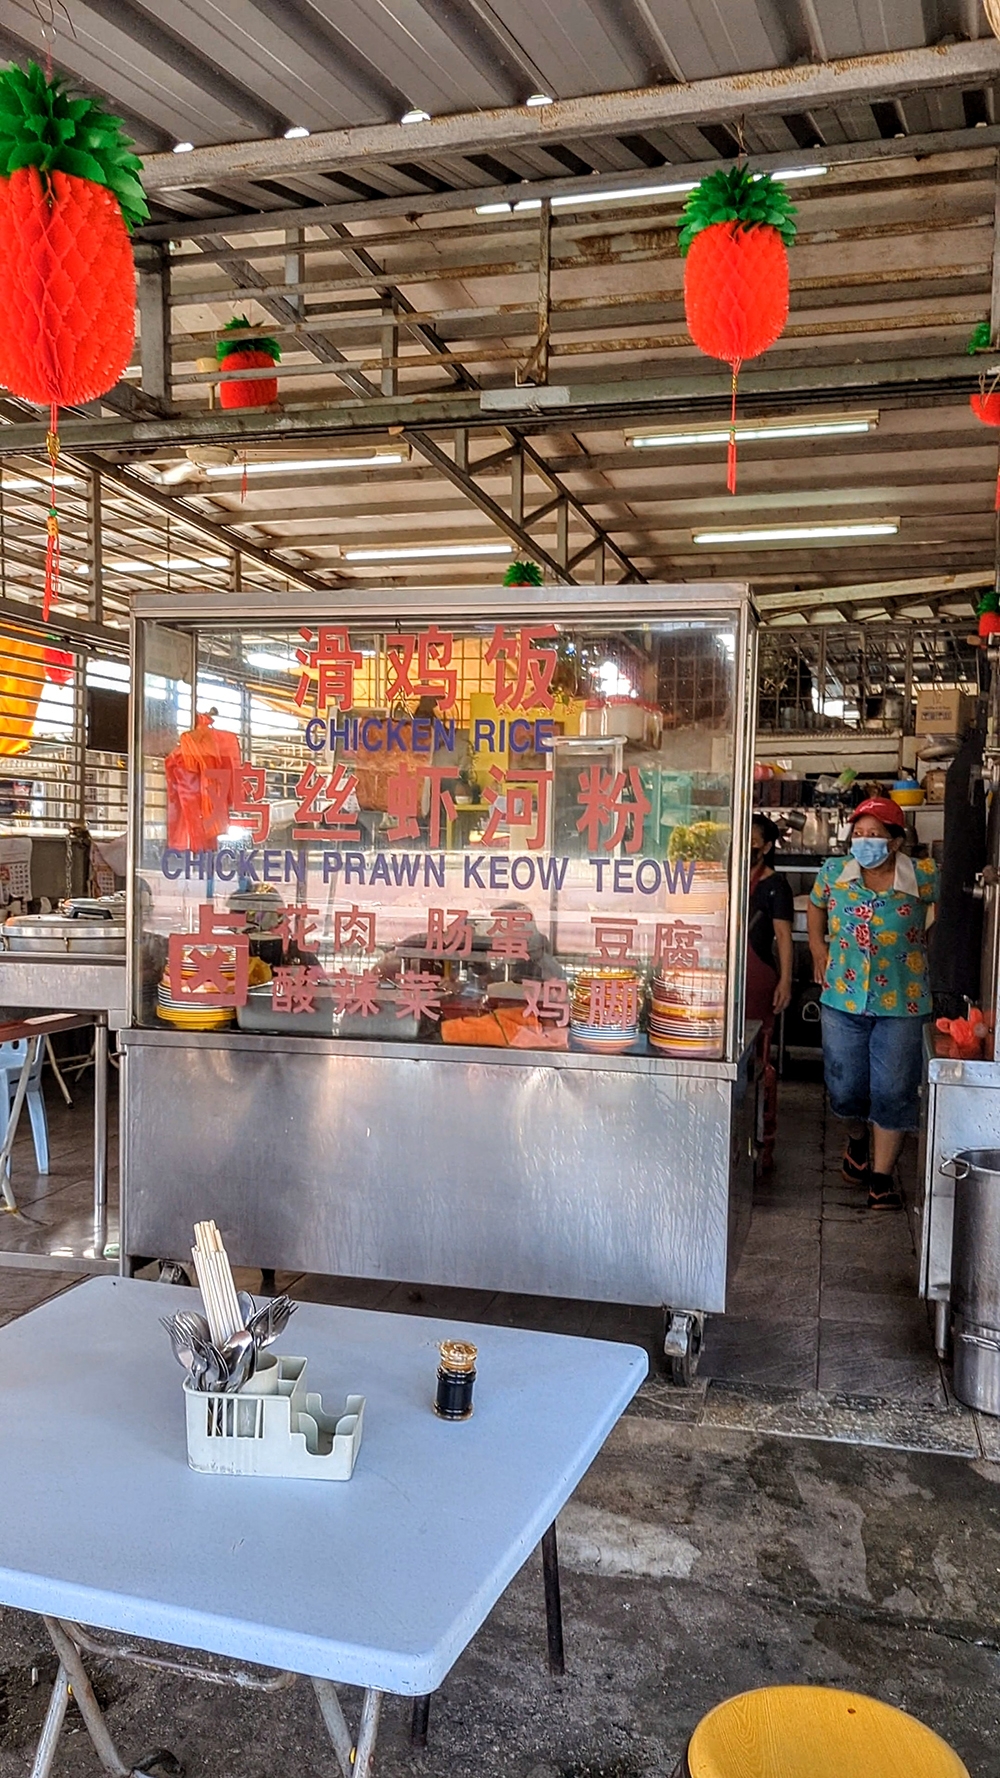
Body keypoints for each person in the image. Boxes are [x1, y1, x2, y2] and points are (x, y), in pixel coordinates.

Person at [807, 796, 938, 1210]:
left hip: (903, 1002)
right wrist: (817, 948)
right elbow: (815, 906)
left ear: (896, 841)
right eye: (858, 834)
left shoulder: (923, 876)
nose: (864, 842)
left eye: (875, 835)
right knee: (845, 1089)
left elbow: (950, 913)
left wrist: (924, 946)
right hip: (843, 999)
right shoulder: (833, 874)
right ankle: (857, 1140)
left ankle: (881, 1179)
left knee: (894, 1090)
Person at [745, 814, 794, 1169]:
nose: (746, 847)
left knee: (759, 1059)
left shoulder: (776, 886)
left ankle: (762, 1136)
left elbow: (783, 938)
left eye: (753, 841)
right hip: (728, 975)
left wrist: (785, 980)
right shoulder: (728, 875)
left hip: (760, 975)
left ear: (767, 846)